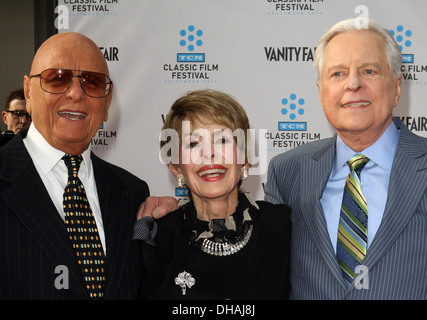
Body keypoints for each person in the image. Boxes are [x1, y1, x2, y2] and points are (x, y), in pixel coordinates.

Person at [264, 18, 427, 299]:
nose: (353, 84)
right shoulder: (287, 171)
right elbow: (258, 269)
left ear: (397, 87)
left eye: (369, 71)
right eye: (338, 74)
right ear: (321, 93)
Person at [0, 32, 150, 299]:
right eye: (57, 78)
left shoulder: (133, 194)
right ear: (28, 92)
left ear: (107, 100)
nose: (76, 93)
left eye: (92, 82)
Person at [136, 89, 291, 299]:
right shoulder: (157, 239)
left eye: (222, 140)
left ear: (245, 159)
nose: (209, 153)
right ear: (176, 168)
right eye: (193, 143)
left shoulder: (283, 227)